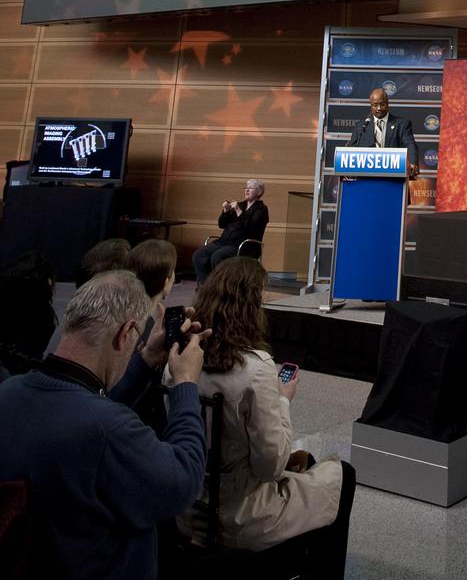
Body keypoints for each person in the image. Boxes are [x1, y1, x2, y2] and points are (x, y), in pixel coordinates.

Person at [0, 269, 208, 579]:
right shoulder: (108, 430)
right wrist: (186, 384)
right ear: (126, 333)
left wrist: (147, 358)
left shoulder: (9, 393)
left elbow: (80, 405)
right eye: (136, 341)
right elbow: (184, 480)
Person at [176, 257, 355, 567]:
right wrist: (284, 400)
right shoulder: (256, 369)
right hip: (239, 516)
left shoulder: (180, 359)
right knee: (342, 476)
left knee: (304, 464)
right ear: (250, 308)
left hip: (188, 509)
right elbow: (269, 467)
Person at [192, 178, 269, 283]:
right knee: (199, 255)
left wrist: (238, 211)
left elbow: (250, 227)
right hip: (223, 242)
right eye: (246, 188)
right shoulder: (241, 205)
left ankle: (219, 287)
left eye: (250, 188)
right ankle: (206, 285)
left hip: (244, 245)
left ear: (259, 192)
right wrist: (226, 211)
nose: (246, 190)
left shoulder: (261, 209)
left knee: (218, 256)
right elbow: (222, 224)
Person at [347, 87, 420, 177]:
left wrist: (412, 162)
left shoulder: (402, 124)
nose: (379, 108)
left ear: (388, 103)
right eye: (375, 105)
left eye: (382, 104)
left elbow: (410, 144)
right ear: (370, 105)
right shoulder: (361, 126)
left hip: (393, 178)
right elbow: (351, 150)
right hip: (366, 178)